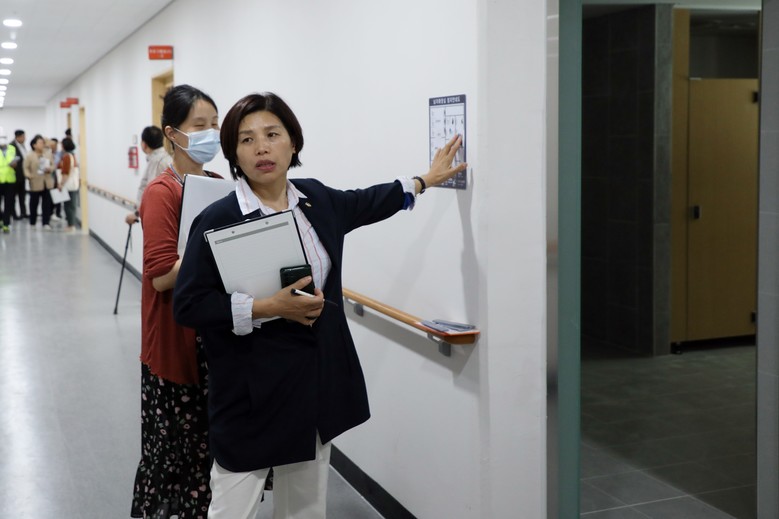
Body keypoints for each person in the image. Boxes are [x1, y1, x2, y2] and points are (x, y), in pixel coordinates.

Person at [172, 92, 467, 518]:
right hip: (249, 391)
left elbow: (369, 200)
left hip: (311, 384)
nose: (262, 148)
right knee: (232, 508)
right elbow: (189, 305)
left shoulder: (316, 199)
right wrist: (266, 307)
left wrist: (424, 180)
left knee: (305, 507)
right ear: (234, 154)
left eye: (272, 135)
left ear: (293, 142)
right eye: (247, 140)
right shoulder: (219, 218)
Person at [131, 84, 220, 519]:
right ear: (172, 133)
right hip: (174, 344)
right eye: (200, 126)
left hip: (215, 340)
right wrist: (214, 245)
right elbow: (163, 276)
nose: (211, 135)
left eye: (215, 125)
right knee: (174, 458)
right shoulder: (162, 192)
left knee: (210, 455)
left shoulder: (219, 186)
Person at [125, 126, 172, 225]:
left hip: (159, 219)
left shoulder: (157, 162)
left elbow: (150, 194)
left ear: (144, 144)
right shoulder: (164, 158)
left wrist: (137, 214)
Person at [23, 134, 55, 230]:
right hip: (35, 182)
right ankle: (33, 221)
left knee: (46, 204)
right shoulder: (30, 156)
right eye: (40, 143)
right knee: (34, 203)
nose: (42, 144)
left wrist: (50, 169)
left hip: (47, 182)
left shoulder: (48, 154)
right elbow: (25, 168)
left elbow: (53, 165)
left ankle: (46, 222)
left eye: (42, 143)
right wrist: (29, 176)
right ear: (34, 145)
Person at [57, 137, 80, 232]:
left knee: (69, 206)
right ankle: (71, 224)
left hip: (68, 185)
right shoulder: (72, 155)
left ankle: (71, 225)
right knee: (71, 205)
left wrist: (61, 183)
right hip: (73, 185)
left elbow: (65, 172)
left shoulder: (67, 156)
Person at [9, 130, 28, 220]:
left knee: (22, 196)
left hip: (22, 175)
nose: (24, 138)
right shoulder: (11, 146)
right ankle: (14, 214)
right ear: (18, 137)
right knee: (13, 196)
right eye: (23, 137)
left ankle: (23, 213)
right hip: (15, 175)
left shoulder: (22, 146)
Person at [0, 134, 17, 233]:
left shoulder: (12, 148)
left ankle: (6, 224)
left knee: (8, 203)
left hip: (10, 180)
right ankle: (1, 219)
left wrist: (14, 164)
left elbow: (14, 161)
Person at [48, 138, 63, 221]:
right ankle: (50, 212)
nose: (54, 147)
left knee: (58, 196)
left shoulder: (60, 154)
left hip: (58, 177)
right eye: (52, 145)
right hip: (50, 177)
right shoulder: (47, 154)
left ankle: (58, 213)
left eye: (55, 145)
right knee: (50, 197)